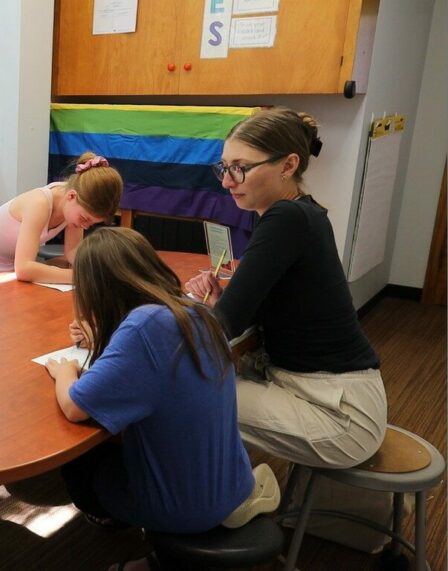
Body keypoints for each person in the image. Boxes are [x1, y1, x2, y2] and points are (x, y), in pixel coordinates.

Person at [185, 107, 389, 551]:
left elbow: (224, 325)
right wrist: (227, 300)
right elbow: (258, 307)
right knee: (204, 382)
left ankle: (222, 507)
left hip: (340, 413)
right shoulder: (300, 214)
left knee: (188, 393)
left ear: (288, 164)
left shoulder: (285, 219)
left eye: (240, 168)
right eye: (224, 167)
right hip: (333, 392)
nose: (226, 181)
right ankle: (220, 495)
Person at [46, 228, 280, 570]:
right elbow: (154, 368)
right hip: (233, 484)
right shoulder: (193, 312)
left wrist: (65, 371)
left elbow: (75, 406)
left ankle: (133, 531)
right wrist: (102, 336)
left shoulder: (142, 328)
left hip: (183, 508)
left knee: (79, 453)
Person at [0, 152, 123, 283]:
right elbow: (24, 269)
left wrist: (93, 271)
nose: (86, 226)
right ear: (71, 196)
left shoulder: (74, 206)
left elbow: (73, 251)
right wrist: (78, 277)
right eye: (85, 219)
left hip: (13, 260)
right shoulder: (39, 204)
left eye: (92, 223)